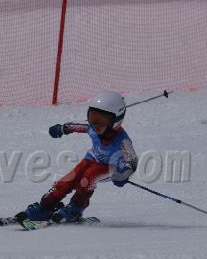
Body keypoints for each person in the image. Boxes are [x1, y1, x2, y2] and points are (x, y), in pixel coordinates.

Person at [16, 90, 138, 223]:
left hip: (110, 167)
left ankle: (75, 209)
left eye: (102, 120)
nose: (96, 125)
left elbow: (132, 162)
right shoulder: (92, 128)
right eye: (92, 117)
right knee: (68, 180)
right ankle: (45, 207)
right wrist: (63, 128)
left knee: (87, 179)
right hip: (92, 159)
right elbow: (76, 126)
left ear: (116, 121)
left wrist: (123, 175)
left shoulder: (122, 141)